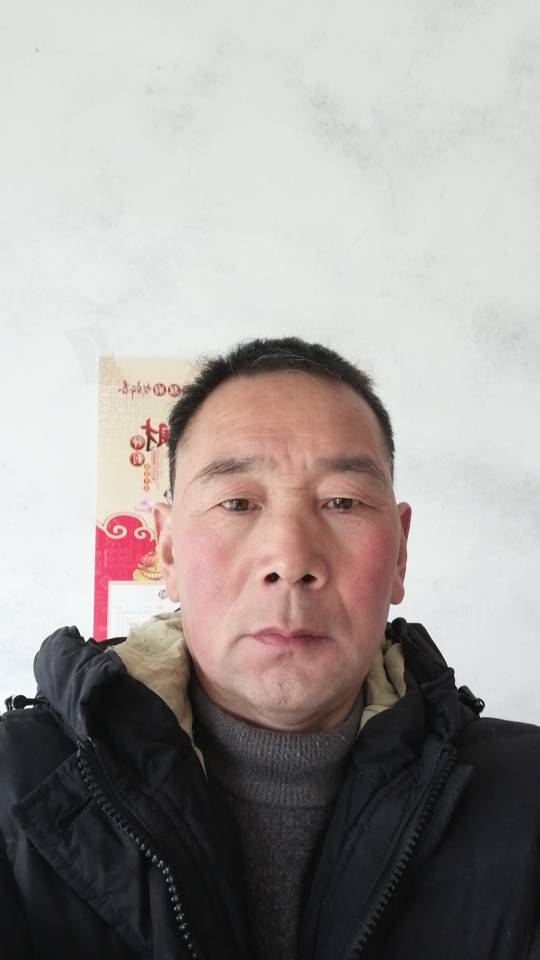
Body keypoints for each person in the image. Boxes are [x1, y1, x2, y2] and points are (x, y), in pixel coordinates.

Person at [1, 336, 539, 960]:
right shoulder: (15, 789)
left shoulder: (526, 801)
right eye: (237, 503)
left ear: (399, 553)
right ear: (167, 551)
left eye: (342, 502)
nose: (290, 558)